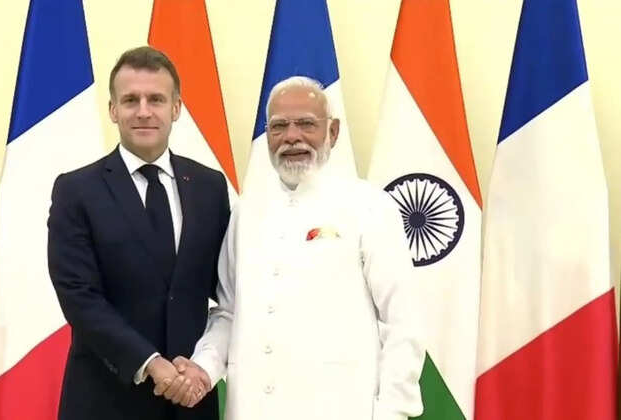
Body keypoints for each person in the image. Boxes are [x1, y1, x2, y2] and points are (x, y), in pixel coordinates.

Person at [161, 76, 424, 419]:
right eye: (279, 126)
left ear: (332, 132)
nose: (292, 137)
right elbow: (229, 312)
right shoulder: (246, 210)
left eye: (306, 124)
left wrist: (393, 411)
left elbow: (403, 320)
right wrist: (204, 368)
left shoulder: (368, 205)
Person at [47, 46, 229, 420]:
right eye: (131, 100)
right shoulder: (76, 190)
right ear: (113, 110)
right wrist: (150, 362)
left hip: (190, 402)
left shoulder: (210, 187)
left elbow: (225, 290)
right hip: (104, 401)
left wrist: (203, 367)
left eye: (156, 99)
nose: (144, 111)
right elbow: (79, 296)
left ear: (176, 108)